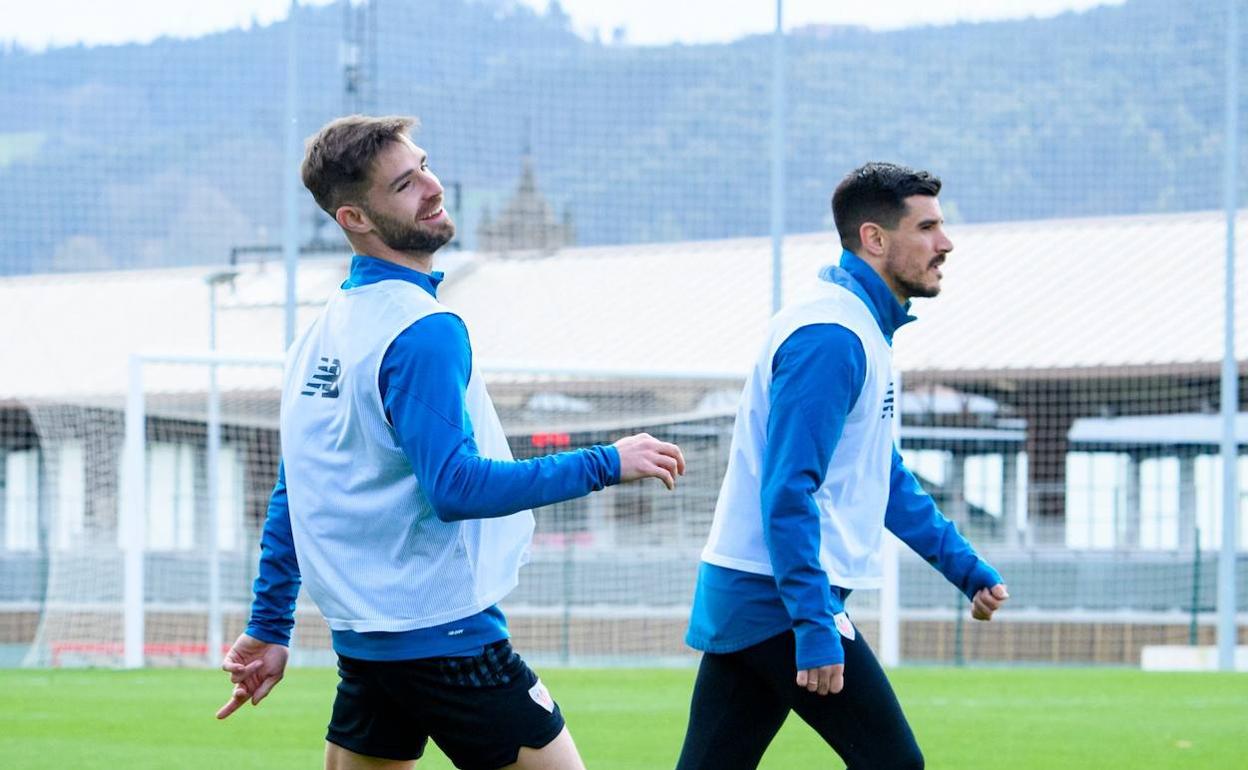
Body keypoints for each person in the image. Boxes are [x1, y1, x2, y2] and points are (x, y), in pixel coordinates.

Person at [215, 115, 686, 770]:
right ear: (354, 217)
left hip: (370, 648)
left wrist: (269, 627)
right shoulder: (423, 331)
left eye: (424, 166)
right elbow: (456, 487)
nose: (433, 188)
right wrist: (607, 462)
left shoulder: (318, 336)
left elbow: (295, 490)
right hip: (449, 642)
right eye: (405, 185)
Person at [675, 162, 1009, 770]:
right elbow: (788, 491)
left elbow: (879, 477)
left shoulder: (859, 328)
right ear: (875, 239)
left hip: (759, 591)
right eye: (928, 226)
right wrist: (814, 620)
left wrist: (965, 567)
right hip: (776, 598)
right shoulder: (831, 337)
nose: (946, 243)